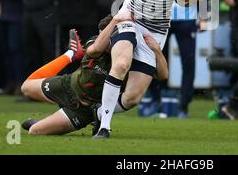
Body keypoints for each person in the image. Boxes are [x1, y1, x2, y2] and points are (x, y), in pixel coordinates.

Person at [53, 0, 210, 139]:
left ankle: (95, 112)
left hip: (156, 30)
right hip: (130, 18)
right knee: (121, 64)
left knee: (132, 98)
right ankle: (104, 127)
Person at [20, 13, 168, 135]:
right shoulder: (95, 43)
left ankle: (46, 124)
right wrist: (116, 20)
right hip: (69, 86)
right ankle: (71, 54)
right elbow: (95, 50)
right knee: (25, 88)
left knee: (34, 131)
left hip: (83, 110)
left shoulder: (131, 58)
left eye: (106, 35)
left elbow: (162, 75)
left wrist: (156, 51)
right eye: (101, 34)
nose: (102, 38)